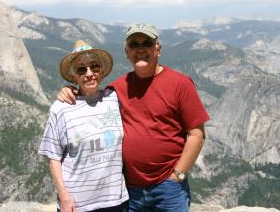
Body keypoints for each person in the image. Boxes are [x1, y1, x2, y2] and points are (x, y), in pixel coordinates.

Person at [57, 23, 209, 212]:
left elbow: (197, 134)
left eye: (146, 43)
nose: (140, 49)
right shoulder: (118, 88)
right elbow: (90, 92)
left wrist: (178, 174)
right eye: (134, 45)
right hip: (131, 190)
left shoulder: (181, 84)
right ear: (127, 52)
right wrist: (69, 90)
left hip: (169, 188)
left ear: (158, 49)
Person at [38, 40, 129, 212]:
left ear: (102, 71)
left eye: (94, 67)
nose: (89, 74)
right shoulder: (61, 109)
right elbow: (53, 157)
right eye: (81, 69)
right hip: (78, 204)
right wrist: (64, 196)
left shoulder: (115, 99)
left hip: (116, 201)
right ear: (74, 76)